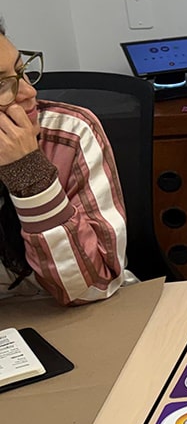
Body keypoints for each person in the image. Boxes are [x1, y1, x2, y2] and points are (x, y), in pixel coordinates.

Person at [0, 21, 134, 305]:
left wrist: (28, 174)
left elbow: (91, 287)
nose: (29, 92)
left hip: (69, 310)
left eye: (22, 71)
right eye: (1, 85)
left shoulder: (68, 133)